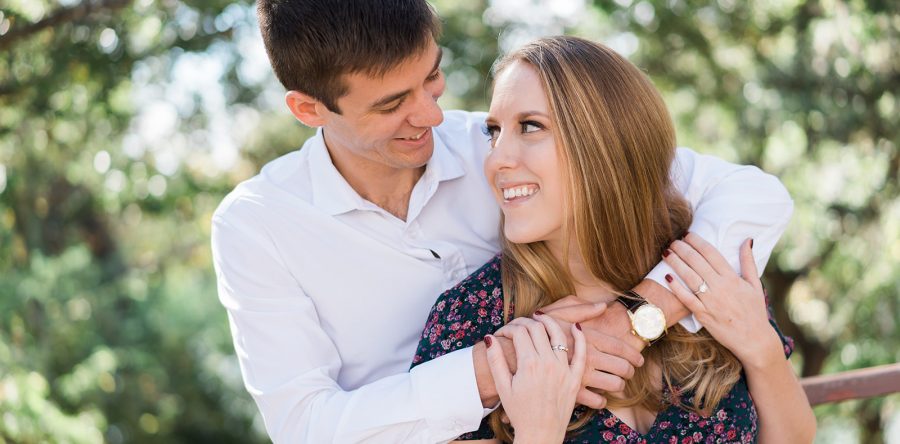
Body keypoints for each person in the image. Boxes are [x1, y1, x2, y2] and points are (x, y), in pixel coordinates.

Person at [210, 1, 795, 442]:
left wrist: (639, 315)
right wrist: (501, 370)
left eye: (432, 78)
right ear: (309, 109)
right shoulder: (258, 226)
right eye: (392, 104)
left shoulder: (495, 145)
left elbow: (750, 194)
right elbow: (305, 428)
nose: (432, 115)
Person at [412, 36, 815, 443]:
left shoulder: (699, 265)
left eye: (530, 127)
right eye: (494, 132)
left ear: (607, 143)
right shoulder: (472, 323)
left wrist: (762, 351)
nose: (497, 158)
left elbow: (794, 437)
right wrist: (539, 431)